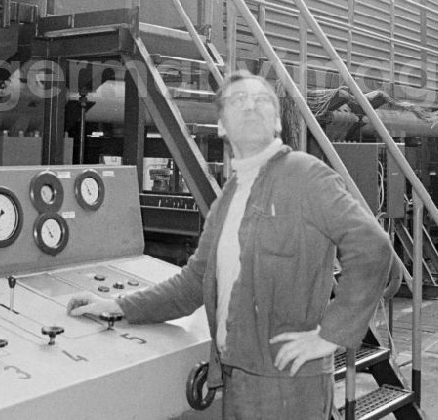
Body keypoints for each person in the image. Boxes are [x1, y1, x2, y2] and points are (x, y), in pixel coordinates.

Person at [67, 70, 392, 419]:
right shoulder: (230, 197)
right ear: (222, 125)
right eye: (238, 102)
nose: (250, 107)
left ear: (277, 123)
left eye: (261, 101)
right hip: (236, 380)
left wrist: (332, 335)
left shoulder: (306, 175)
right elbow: (194, 282)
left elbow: (373, 249)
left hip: (288, 385)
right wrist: (118, 306)